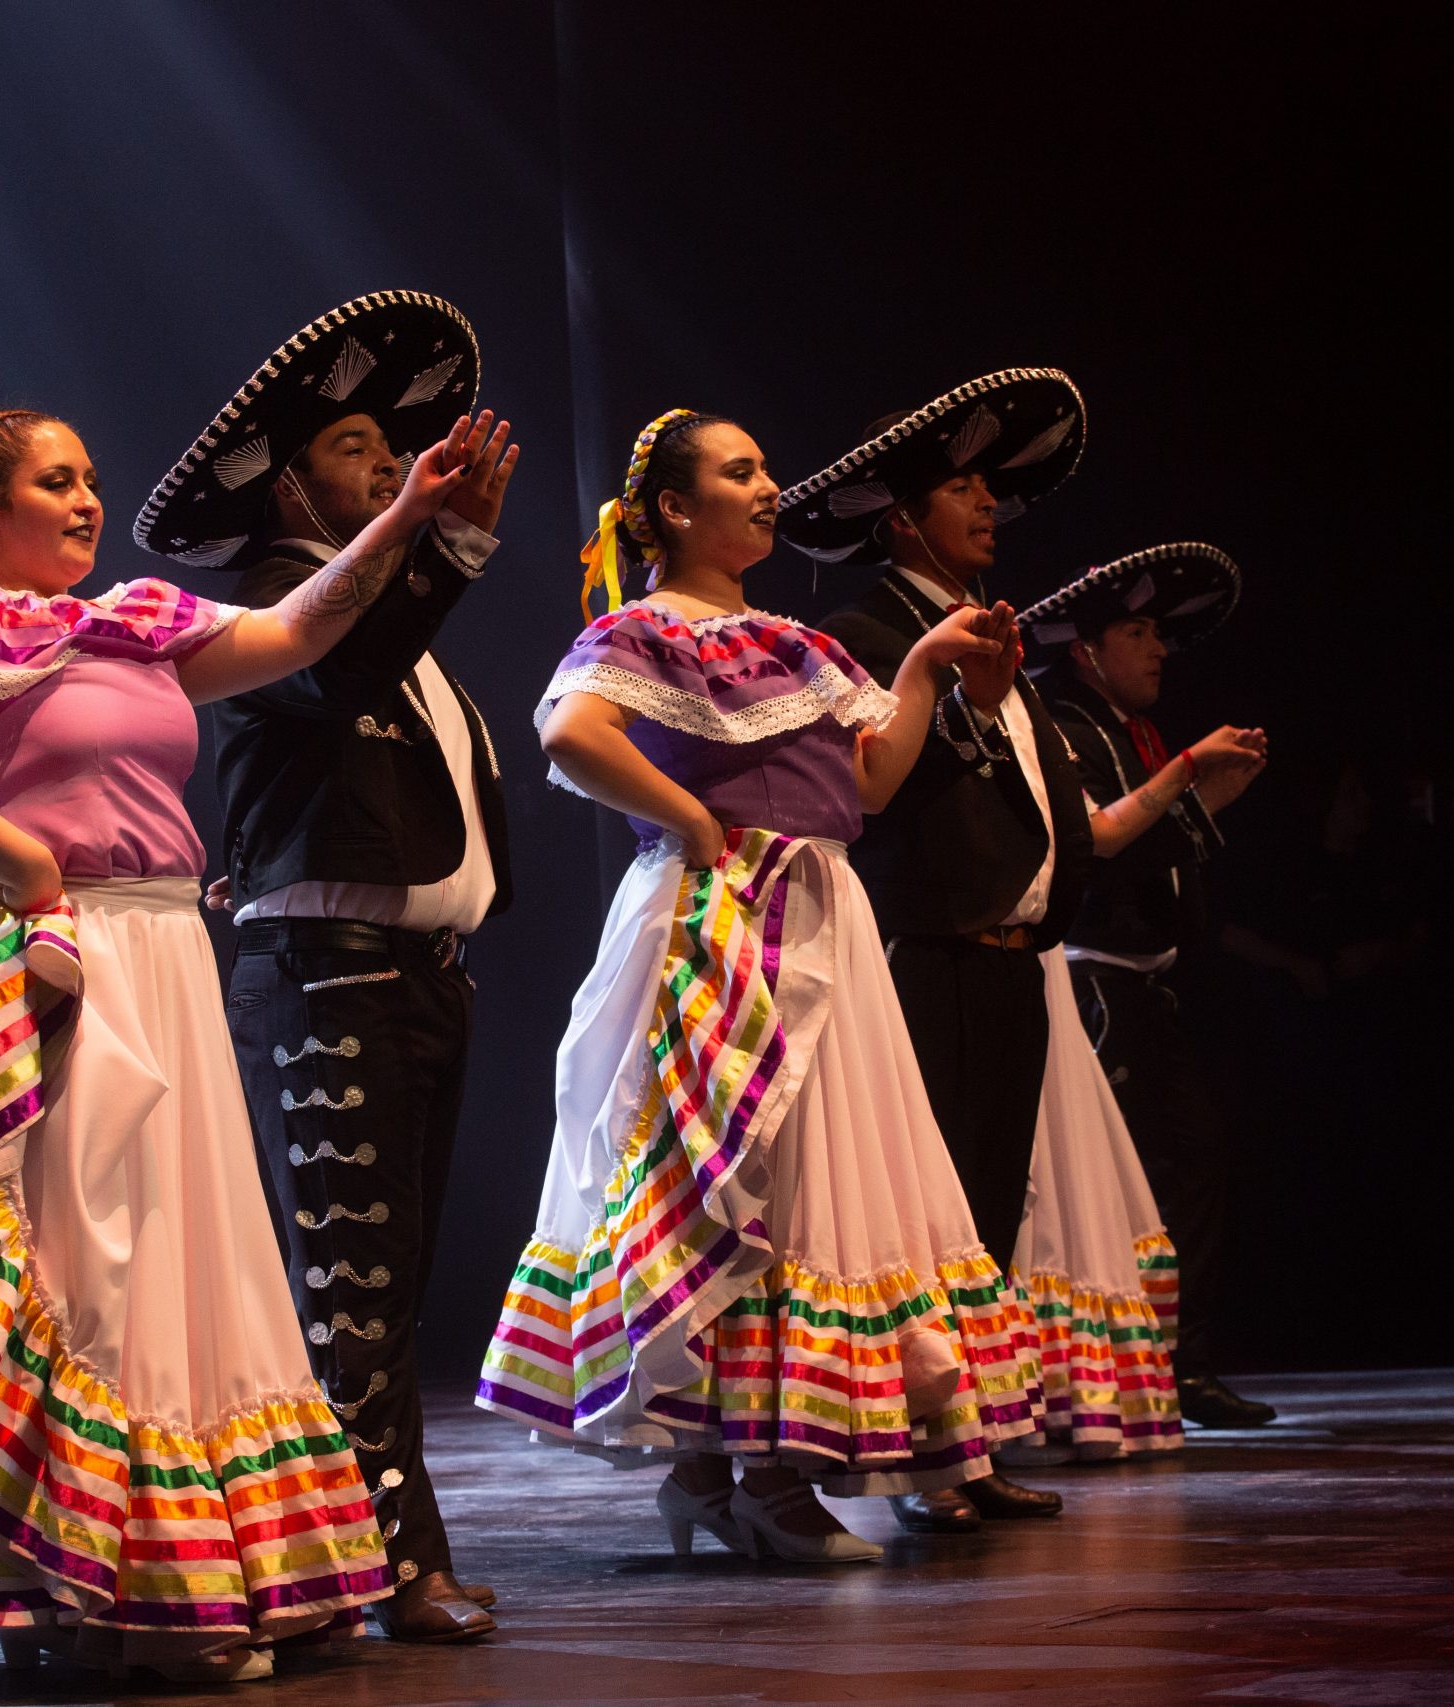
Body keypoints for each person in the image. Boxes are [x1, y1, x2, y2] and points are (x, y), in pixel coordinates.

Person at [0, 403, 494, 1682]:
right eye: (57, 482)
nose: (88, 499)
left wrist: (404, 519)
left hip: (159, 952)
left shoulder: (132, 624)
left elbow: (294, 632)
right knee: (77, 1255)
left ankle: (164, 1569)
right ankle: (72, 1584)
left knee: (172, 1259)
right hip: (46, 952)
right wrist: (27, 864)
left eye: (91, 477)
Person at [477, 409, 1041, 1565]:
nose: (770, 486)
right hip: (721, 919)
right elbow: (570, 733)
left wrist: (926, 665)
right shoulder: (648, 630)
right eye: (742, 471)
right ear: (677, 509)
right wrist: (688, 820)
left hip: (820, 921)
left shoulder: (798, 644)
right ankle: (748, 1480)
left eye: (764, 465)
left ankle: (732, 1473)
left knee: (810, 1178)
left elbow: (872, 782)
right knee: (734, 1174)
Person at [136, 290, 518, 1642]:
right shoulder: (249, 600)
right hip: (326, 972)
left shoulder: (373, 615)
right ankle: (389, 1561)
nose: (381, 460)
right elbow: (337, 663)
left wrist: (434, 537)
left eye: (381, 446)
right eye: (355, 445)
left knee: (390, 1282)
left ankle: (361, 1549)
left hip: (412, 971)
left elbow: (375, 658)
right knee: (351, 1283)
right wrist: (431, 534)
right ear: (291, 475)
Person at [782, 369, 1092, 1533]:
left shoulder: (988, 635)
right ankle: (927, 1459)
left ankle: (978, 1441)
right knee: (936, 1214)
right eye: (963, 490)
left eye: (990, 492)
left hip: (1008, 961)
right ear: (902, 519)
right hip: (930, 957)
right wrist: (953, 690)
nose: (989, 509)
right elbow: (870, 792)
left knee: (990, 1216)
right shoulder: (865, 633)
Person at [1018, 541, 1278, 1429]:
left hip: (1142, 989)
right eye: (1138, 630)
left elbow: (1154, 845)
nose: (1159, 648)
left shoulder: (1128, 731)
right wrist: (1189, 780)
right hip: (1093, 985)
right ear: (1088, 647)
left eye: (1161, 632)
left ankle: (1174, 1363)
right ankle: (1131, 1370)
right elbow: (1093, 844)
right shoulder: (1062, 721)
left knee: (1190, 1159)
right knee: (1120, 1180)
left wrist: (1203, 796)